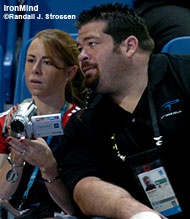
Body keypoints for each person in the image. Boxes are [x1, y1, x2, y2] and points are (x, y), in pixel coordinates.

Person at [7, 2, 188, 219]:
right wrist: (136, 213)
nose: (81, 55)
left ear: (129, 46)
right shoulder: (84, 121)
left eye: (92, 44)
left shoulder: (183, 74)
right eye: (80, 48)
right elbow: (84, 186)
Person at [0, 29, 87, 218]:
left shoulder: (82, 124)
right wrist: (17, 154)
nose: (36, 69)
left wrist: (48, 168)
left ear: (70, 72)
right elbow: (1, 195)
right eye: (31, 60)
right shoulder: (7, 121)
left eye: (47, 62)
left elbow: (75, 209)